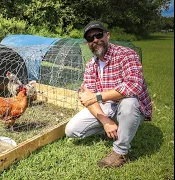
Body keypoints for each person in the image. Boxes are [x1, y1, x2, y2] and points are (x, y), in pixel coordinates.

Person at [65, 21, 152, 168]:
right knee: (72, 130)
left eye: (99, 35)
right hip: (108, 107)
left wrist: (97, 96)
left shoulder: (126, 54)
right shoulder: (90, 66)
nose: (95, 40)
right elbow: (89, 98)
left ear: (108, 36)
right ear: (87, 43)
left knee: (129, 103)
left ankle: (120, 151)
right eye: (90, 38)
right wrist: (105, 121)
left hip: (130, 106)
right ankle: (114, 127)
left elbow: (133, 86)